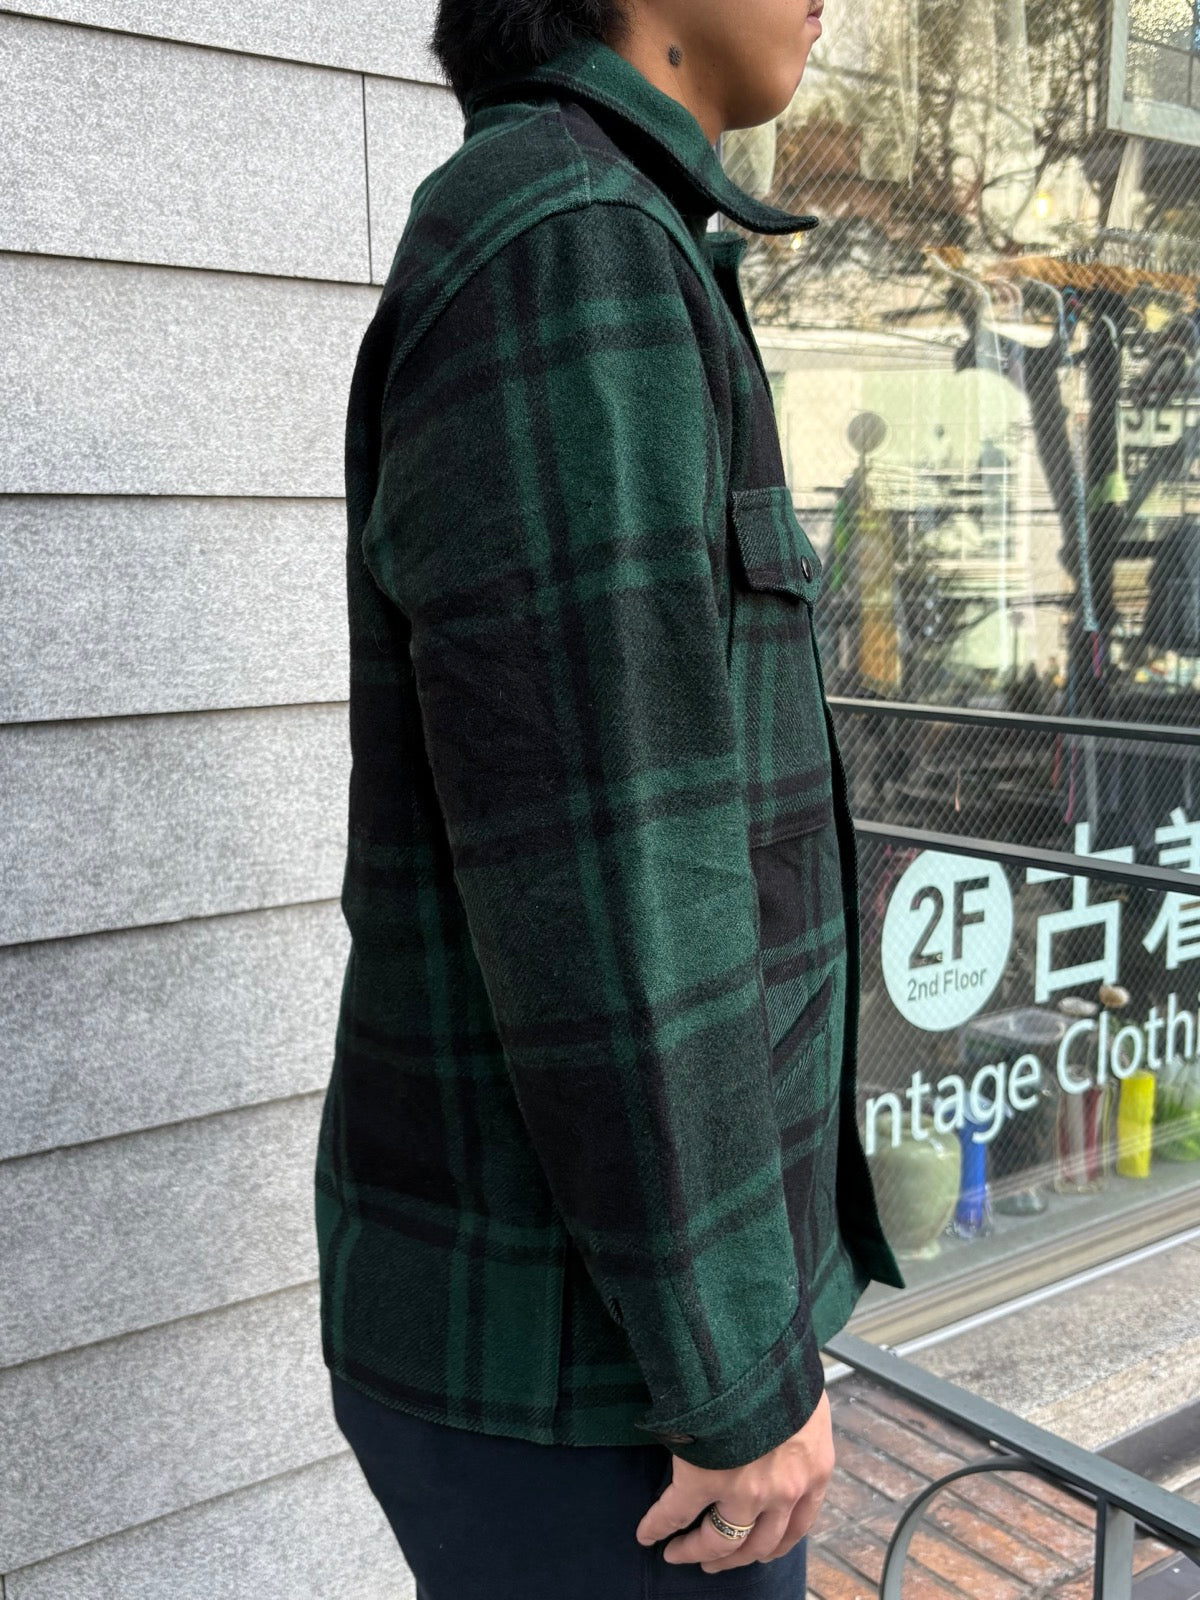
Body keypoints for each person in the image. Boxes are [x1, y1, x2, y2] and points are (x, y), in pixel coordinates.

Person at [313, 1, 904, 1594]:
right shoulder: (572, 244)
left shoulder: (594, 224)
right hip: (599, 1383)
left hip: (594, 1342)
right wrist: (735, 1377)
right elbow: (622, 890)